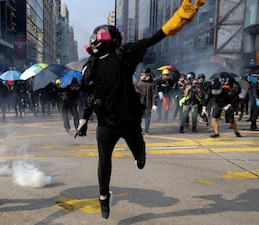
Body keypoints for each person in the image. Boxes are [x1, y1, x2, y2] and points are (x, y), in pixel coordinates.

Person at [75, 0, 206, 219]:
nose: (97, 39)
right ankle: (103, 198)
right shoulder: (92, 64)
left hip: (128, 119)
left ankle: (140, 153)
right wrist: (84, 119)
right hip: (107, 121)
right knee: (103, 160)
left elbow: (155, 37)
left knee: (138, 149)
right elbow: (92, 95)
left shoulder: (124, 53)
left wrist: (178, 19)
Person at [135, 67, 158, 135]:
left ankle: (146, 130)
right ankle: (139, 130)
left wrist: (155, 104)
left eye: (144, 74)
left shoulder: (152, 83)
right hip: (139, 103)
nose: (143, 75)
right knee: (138, 117)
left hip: (148, 103)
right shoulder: (138, 82)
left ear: (148, 74)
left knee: (147, 117)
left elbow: (155, 94)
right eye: (142, 73)